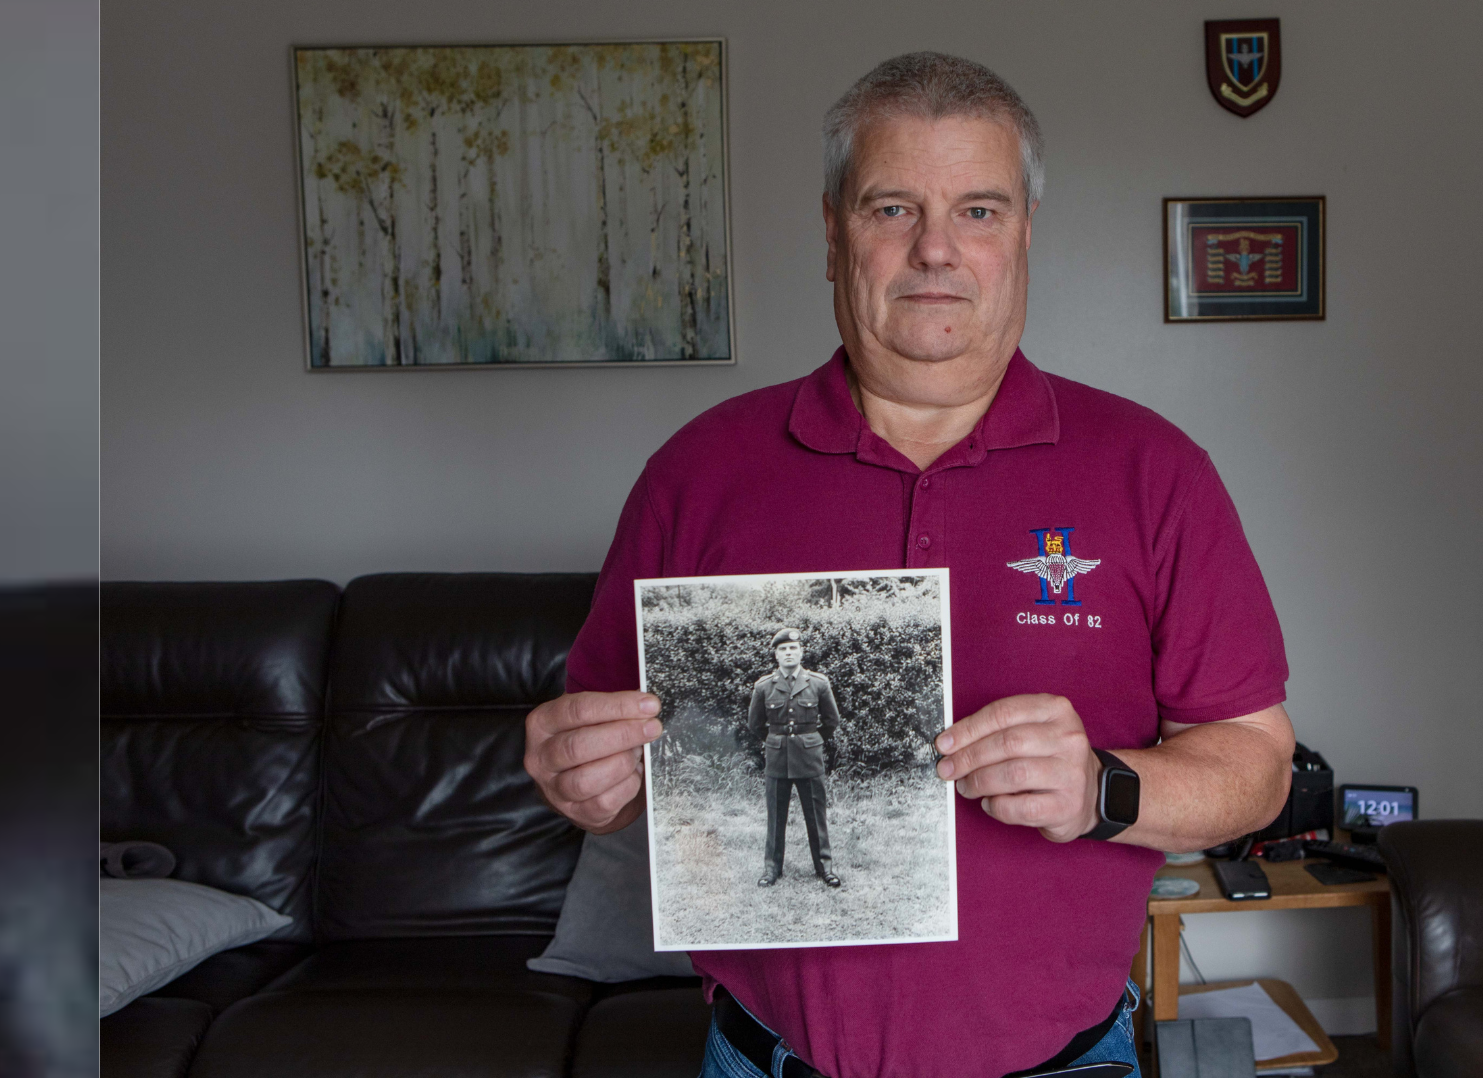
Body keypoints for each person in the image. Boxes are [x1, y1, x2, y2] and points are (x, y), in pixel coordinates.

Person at [522, 51, 1295, 1078]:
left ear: (1023, 234)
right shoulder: (697, 472)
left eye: (978, 210)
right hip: (764, 1061)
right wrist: (583, 779)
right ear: (835, 233)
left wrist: (1106, 789)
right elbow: (621, 769)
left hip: (1066, 1062)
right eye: (893, 208)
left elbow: (1257, 765)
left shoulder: (1156, 471)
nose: (935, 248)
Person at [747, 628, 842, 888]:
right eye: (783, 649)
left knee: (816, 816)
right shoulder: (764, 686)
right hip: (777, 759)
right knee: (775, 817)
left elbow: (832, 720)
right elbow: (755, 724)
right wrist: (775, 740)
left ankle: (825, 868)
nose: (789, 653)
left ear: (801, 652)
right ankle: (771, 870)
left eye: (793, 648)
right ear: (776, 655)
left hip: (809, 758)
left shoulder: (819, 683)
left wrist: (812, 739)